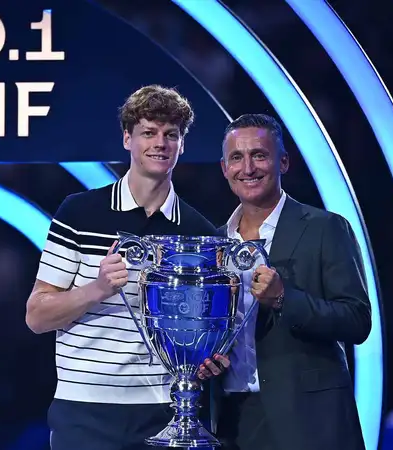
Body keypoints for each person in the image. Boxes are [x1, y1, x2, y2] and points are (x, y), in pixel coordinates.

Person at [25, 85, 220, 450]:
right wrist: (97, 288)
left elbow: (203, 330)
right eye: (149, 132)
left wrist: (210, 357)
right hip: (85, 411)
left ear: (182, 145)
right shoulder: (78, 213)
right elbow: (37, 316)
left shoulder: (198, 233)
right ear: (127, 138)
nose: (160, 143)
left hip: (167, 411)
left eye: (171, 134)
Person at [205, 113, 371, 450]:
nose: (247, 168)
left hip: (309, 422)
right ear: (224, 168)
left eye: (259, 155)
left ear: (283, 162)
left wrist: (284, 298)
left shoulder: (325, 228)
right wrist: (204, 358)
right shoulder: (214, 243)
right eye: (236, 157)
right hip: (234, 423)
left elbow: (357, 321)